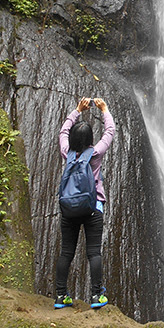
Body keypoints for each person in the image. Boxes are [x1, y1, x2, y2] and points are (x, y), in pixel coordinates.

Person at [54, 97, 115, 309]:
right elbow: (110, 132)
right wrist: (104, 109)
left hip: (69, 209)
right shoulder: (95, 154)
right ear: (90, 139)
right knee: (94, 253)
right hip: (93, 207)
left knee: (66, 252)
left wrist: (77, 111)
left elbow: (63, 132)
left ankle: (61, 296)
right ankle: (96, 296)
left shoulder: (67, 153)